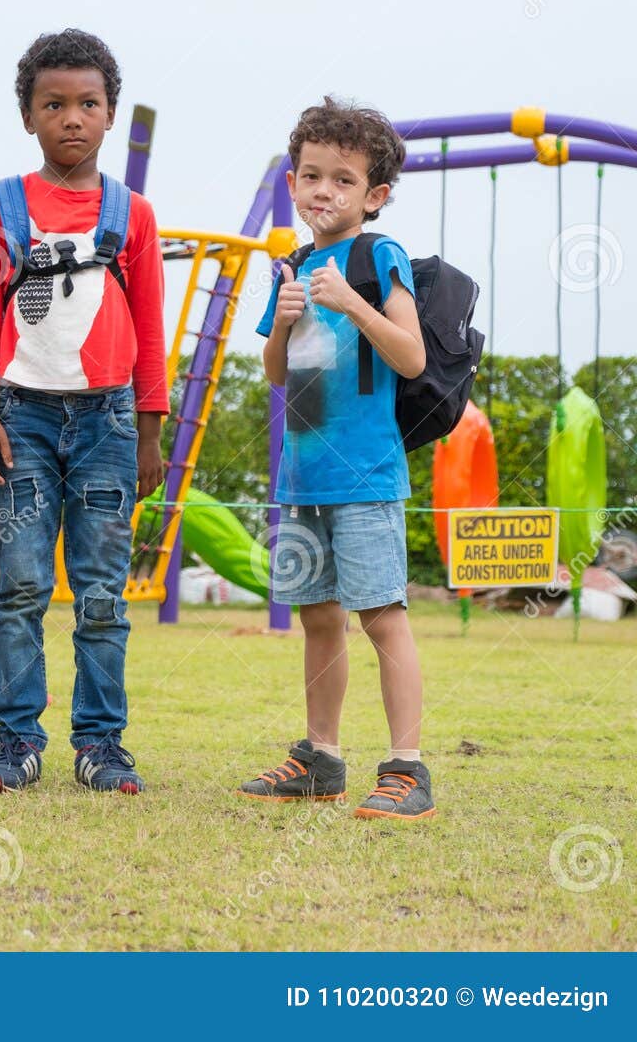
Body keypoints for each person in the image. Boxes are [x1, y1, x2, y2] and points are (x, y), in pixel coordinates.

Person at [0, 28, 168, 794]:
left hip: (110, 424)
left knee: (102, 592)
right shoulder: (2, 203)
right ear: (28, 117)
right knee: (17, 585)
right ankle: (16, 742)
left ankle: (101, 745)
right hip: (24, 420)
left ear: (109, 114)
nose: (72, 117)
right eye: (54, 104)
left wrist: (151, 431)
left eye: (88, 103)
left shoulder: (132, 214)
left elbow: (149, 321)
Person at [239, 96, 436, 821]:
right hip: (304, 476)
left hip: (366, 476)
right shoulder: (290, 264)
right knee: (318, 619)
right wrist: (282, 324)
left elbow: (410, 356)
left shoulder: (376, 257)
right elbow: (276, 373)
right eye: (312, 175)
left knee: (382, 616)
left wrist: (353, 302)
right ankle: (321, 759)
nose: (324, 191)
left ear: (374, 195)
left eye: (343, 180)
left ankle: (408, 770)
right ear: (293, 182)